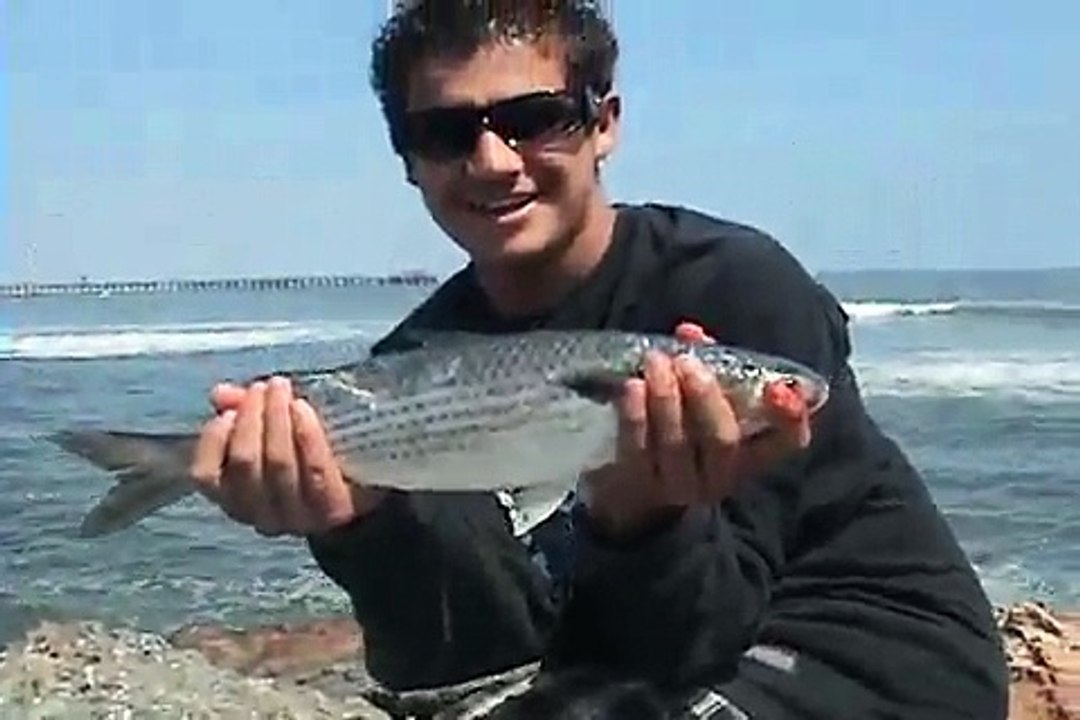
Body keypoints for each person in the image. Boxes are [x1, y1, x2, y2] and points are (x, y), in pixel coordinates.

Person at [189, 2, 1010, 718]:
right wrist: (359, 524)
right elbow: (465, 655)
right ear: (408, 159)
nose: (494, 161)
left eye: (537, 117)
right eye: (446, 133)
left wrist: (644, 518)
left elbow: (706, 633)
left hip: (866, 652)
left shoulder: (734, 285)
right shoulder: (413, 367)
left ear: (603, 122)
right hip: (632, 669)